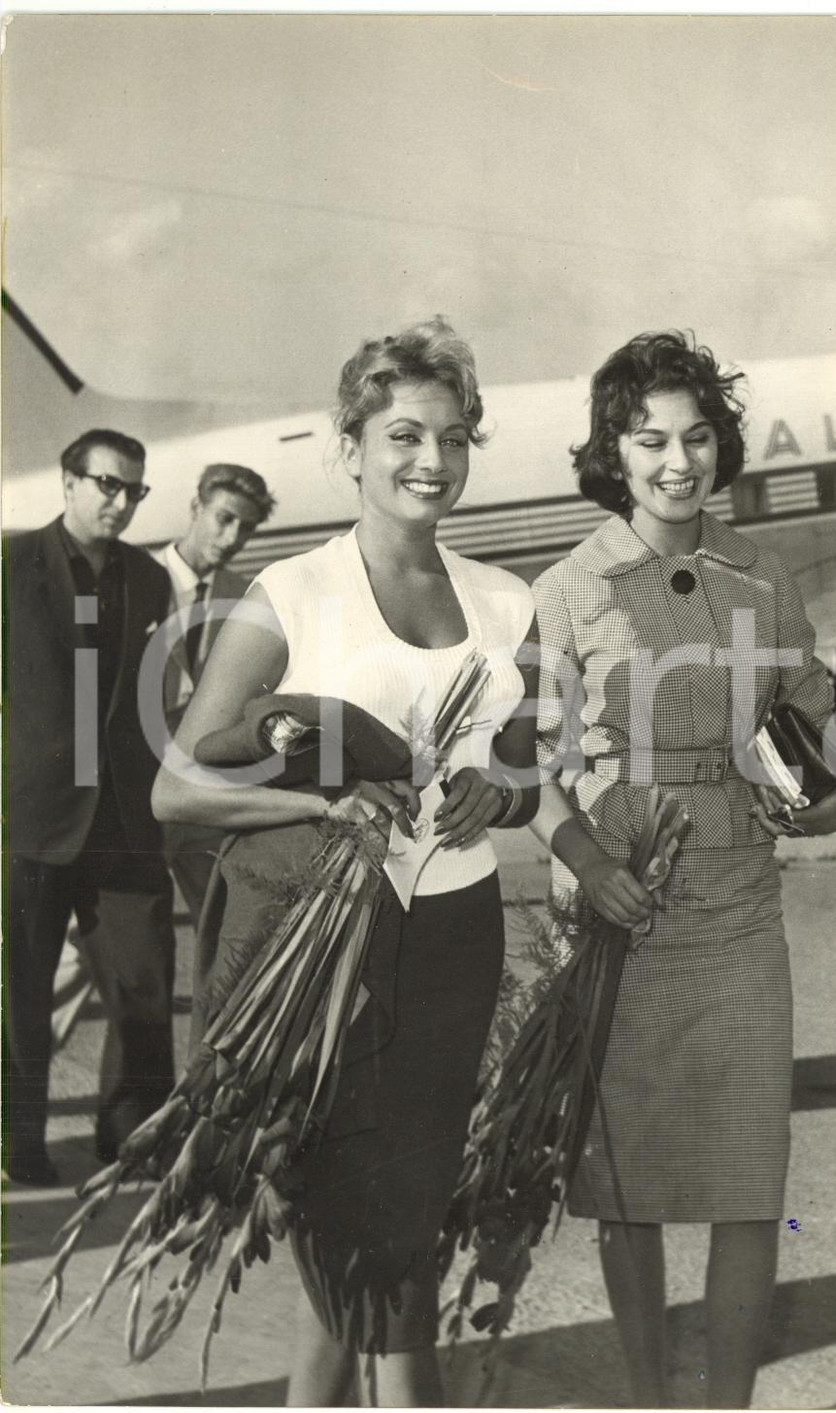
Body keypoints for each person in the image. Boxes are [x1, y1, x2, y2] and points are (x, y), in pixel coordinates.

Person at [151, 318, 539, 1407]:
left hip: (455, 936)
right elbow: (179, 787)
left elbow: (524, 771)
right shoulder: (295, 592)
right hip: (327, 946)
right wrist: (323, 804)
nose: (432, 460)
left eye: (454, 438)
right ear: (352, 447)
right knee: (360, 1217)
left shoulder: (506, 600)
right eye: (404, 434)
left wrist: (498, 794)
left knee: (396, 1211)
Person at [530, 331, 836, 1409]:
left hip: (742, 905)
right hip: (622, 903)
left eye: (698, 437)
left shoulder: (765, 575)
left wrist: (821, 800)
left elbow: (810, 734)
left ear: (721, 447)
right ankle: (647, 1398)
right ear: (612, 453)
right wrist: (586, 861)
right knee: (630, 1182)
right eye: (650, 439)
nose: (679, 461)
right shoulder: (569, 587)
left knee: (749, 1178)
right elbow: (531, 769)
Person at [4, 428, 177, 1185]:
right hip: (29, 816)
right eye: (108, 484)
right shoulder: (10, 566)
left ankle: (130, 1140)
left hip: (123, 820)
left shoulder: (149, 579)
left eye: (134, 489)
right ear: (69, 481)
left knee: (142, 981)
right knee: (20, 992)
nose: (122, 501)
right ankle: (19, 1145)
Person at [153, 463, 275, 932]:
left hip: (198, 787)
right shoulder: (134, 579)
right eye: (224, 519)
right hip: (127, 786)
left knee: (221, 924)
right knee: (115, 942)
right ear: (195, 507)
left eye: (246, 527)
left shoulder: (244, 595)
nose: (232, 538)